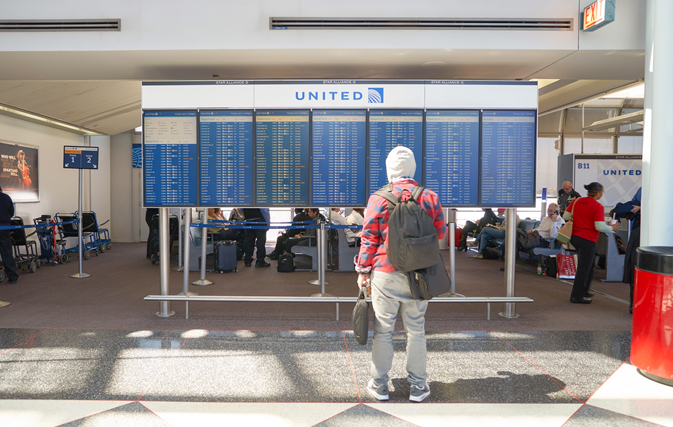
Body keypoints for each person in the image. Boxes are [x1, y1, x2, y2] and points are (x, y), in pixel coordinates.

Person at [356, 146, 446, 403]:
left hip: (385, 272)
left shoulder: (378, 198)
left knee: (383, 330)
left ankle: (380, 385)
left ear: (389, 169)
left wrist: (363, 271)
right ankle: (418, 387)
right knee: (416, 329)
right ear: (413, 167)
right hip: (420, 274)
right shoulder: (429, 197)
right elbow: (440, 234)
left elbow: (368, 239)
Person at [563, 182, 619, 304]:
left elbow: (566, 215)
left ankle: (584, 290)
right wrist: (611, 228)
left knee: (589, 263)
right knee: (584, 267)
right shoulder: (597, 206)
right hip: (588, 239)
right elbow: (599, 226)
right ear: (598, 193)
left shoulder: (577, 201)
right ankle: (576, 296)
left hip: (575, 237)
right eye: (601, 192)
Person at [0, 187, 19, 284]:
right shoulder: (6, 197)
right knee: (6, 252)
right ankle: (12, 276)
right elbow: (11, 212)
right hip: (4, 227)